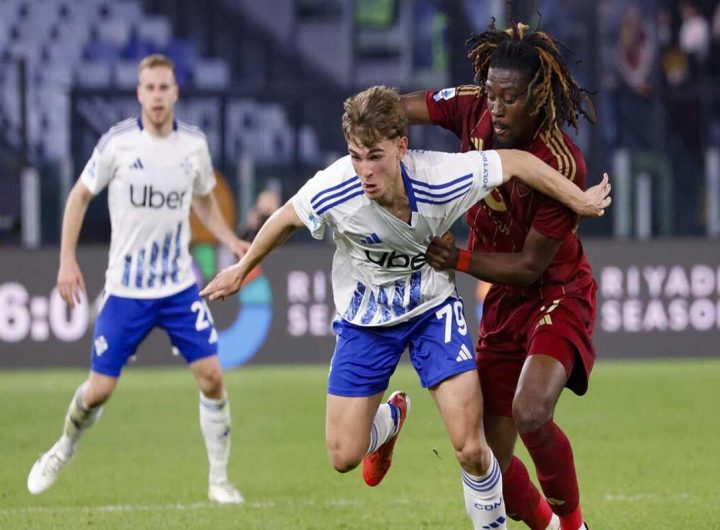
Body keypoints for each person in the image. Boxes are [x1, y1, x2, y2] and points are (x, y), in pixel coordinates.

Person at [201, 85, 609, 529]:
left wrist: (578, 199)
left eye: (374, 156)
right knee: (342, 456)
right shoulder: (336, 187)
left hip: (432, 311)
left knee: (473, 448)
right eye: (356, 156)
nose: (364, 171)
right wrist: (242, 270)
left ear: (401, 146)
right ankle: (391, 419)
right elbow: (284, 220)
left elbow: (518, 163)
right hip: (366, 321)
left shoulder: (442, 176)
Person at [26, 54, 249, 505]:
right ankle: (63, 446)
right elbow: (78, 196)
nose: (157, 95)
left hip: (178, 286)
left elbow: (203, 202)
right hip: (126, 290)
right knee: (99, 391)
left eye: (164, 87)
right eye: (149, 87)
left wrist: (230, 239)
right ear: (139, 93)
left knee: (211, 377)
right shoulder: (118, 144)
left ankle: (219, 481)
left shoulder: (193, 146)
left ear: (175, 92)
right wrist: (66, 259)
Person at [403, 21, 600, 530]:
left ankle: (575, 525)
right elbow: (403, 107)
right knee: (485, 459)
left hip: (556, 293)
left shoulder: (561, 164)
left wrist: (458, 260)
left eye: (509, 98)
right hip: (504, 306)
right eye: (491, 94)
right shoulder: (471, 105)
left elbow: (531, 266)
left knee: (531, 412)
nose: (496, 107)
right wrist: (371, 123)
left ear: (538, 99)